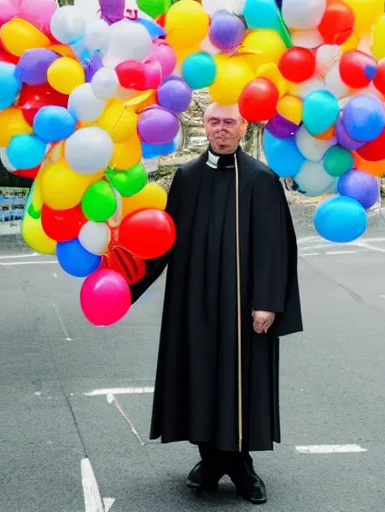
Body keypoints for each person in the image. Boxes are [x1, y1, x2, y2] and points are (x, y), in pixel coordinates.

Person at [129, 102, 303, 505]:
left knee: (240, 381)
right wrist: (127, 281)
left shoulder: (260, 179)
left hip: (244, 307)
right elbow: (163, 240)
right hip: (193, 300)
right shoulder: (187, 178)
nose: (221, 129)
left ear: (243, 127)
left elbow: (275, 248)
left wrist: (268, 303)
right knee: (199, 378)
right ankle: (209, 459)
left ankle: (240, 466)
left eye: (229, 122)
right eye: (214, 122)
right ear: (204, 127)